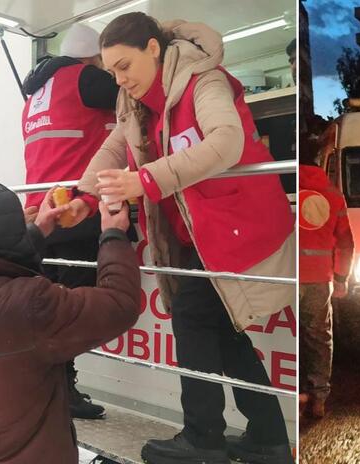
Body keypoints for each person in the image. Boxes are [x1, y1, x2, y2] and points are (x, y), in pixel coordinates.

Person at [70, 13, 295, 464]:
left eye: (124, 66)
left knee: (193, 315)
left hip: (235, 228)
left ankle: (204, 437)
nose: (119, 79)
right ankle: (268, 436)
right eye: (111, 70)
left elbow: (227, 142)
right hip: (195, 235)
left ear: (153, 49)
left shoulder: (204, 81)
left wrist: (146, 181)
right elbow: (116, 146)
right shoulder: (134, 100)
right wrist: (83, 197)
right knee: (223, 331)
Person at [0, 180, 140, 463]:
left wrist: (39, 230)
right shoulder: (29, 303)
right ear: (8, 233)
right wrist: (114, 236)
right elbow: (119, 305)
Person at [21, 23, 121, 420]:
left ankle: (52, 385)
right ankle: (61, 389)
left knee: (50, 305)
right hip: (76, 209)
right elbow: (139, 100)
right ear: (95, 57)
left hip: (41, 211)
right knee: (73, 308)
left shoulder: (36, 93)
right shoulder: (87, 78)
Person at [298, 150, 354, 419]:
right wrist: (342, 278)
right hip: (320, 278)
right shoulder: (332, 194)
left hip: (287, 276)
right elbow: (346, 242)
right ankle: (318, 397)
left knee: (289, 334)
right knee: (319, 338)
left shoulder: (281, 186)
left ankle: (296, 395)